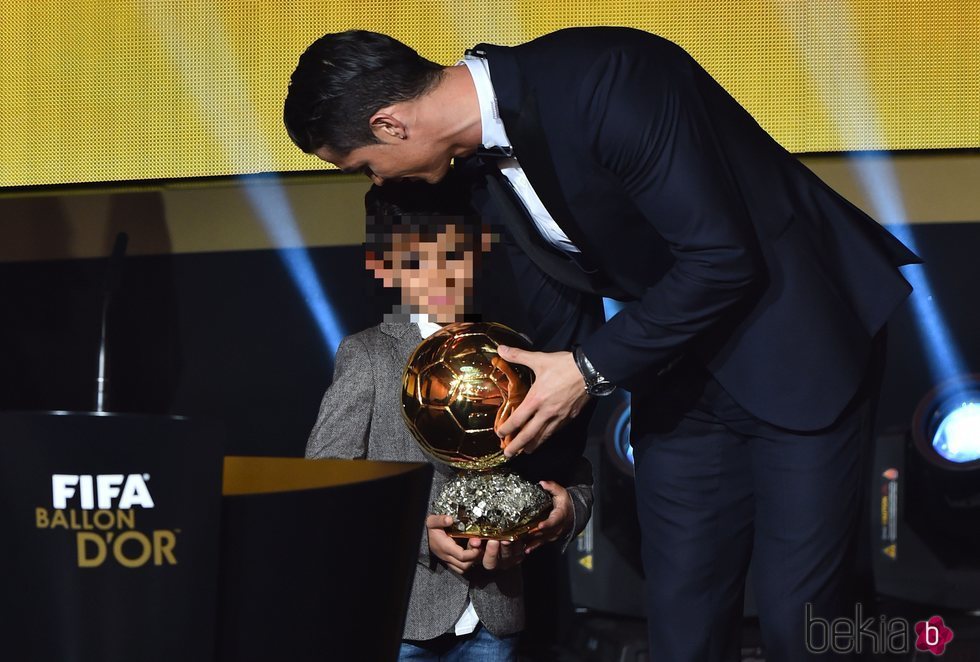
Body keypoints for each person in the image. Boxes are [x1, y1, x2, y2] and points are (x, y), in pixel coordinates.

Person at [284, 27, 920, 660]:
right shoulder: (477, 171)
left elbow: (722, 259)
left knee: (798, 620)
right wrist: (544, 490)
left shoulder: (608, 78)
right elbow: (560, 314)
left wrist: (589, 370)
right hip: (675, 368)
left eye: (362, 165)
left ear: (390, 124)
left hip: (796, 341)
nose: (375, 180)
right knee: (680, 621)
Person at [305, 174, 595, 661]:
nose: (440, 277)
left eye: (454, 255)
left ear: (480, 250)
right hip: (403, 616)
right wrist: (423, 537)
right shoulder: (369, 355)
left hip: (496, 617)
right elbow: (329, 486)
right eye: (417, 263)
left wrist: (570, 512)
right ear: (383, 266)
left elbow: (573, 468)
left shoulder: (517, 355)